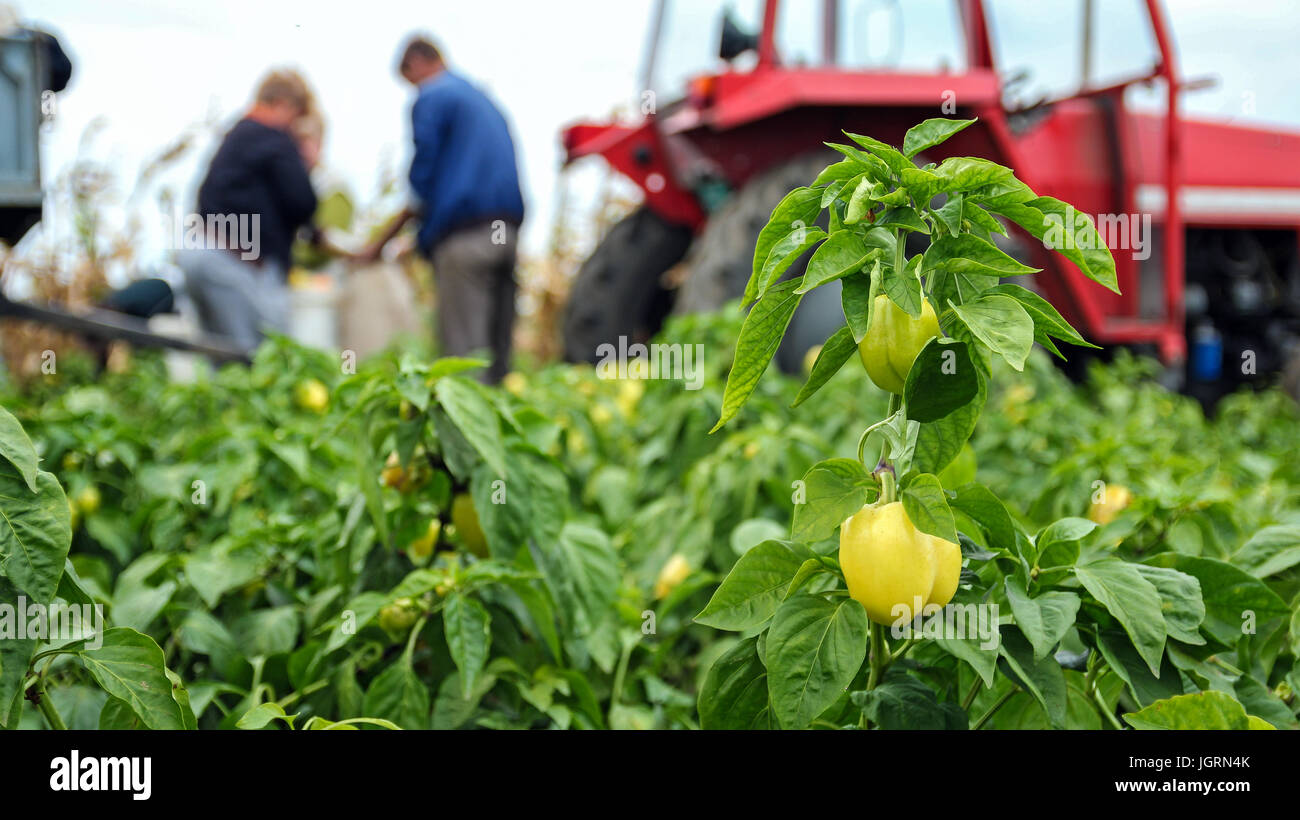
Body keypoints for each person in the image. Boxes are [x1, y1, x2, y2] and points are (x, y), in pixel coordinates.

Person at [361, 35, 525, 384]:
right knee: (497, 361)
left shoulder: (434, 95)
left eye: (409, 81)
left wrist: (379, 245)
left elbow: (422, 182)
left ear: (418, 63)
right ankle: (501, 432)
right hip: (505, 236)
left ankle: (463, 436)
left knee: (463, 362)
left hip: (465, 240)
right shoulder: (484, 100)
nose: (413, 89)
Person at [177, 69, 319, 355]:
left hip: (198, 252)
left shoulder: (236, 135)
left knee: (221, 361)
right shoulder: (273, 137)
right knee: (259, 360)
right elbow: (303, 202)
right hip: (234, 262)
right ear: (284, 105)